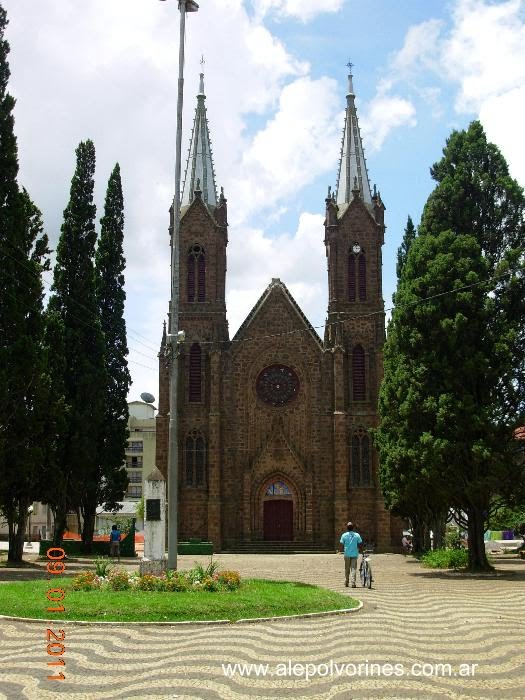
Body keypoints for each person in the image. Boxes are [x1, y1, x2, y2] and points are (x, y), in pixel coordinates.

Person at [339, 521, 363, 587]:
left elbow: (341, 544)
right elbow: (360, 543)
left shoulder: (344, 535)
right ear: (353, 528)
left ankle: (346, 581)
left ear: (347, 528)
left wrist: (340, 550)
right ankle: (353, 583)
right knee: (353, 568)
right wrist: (361, 550)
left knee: (347, 568)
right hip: (355, 554)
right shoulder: (357, 535)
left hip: (347, 554)